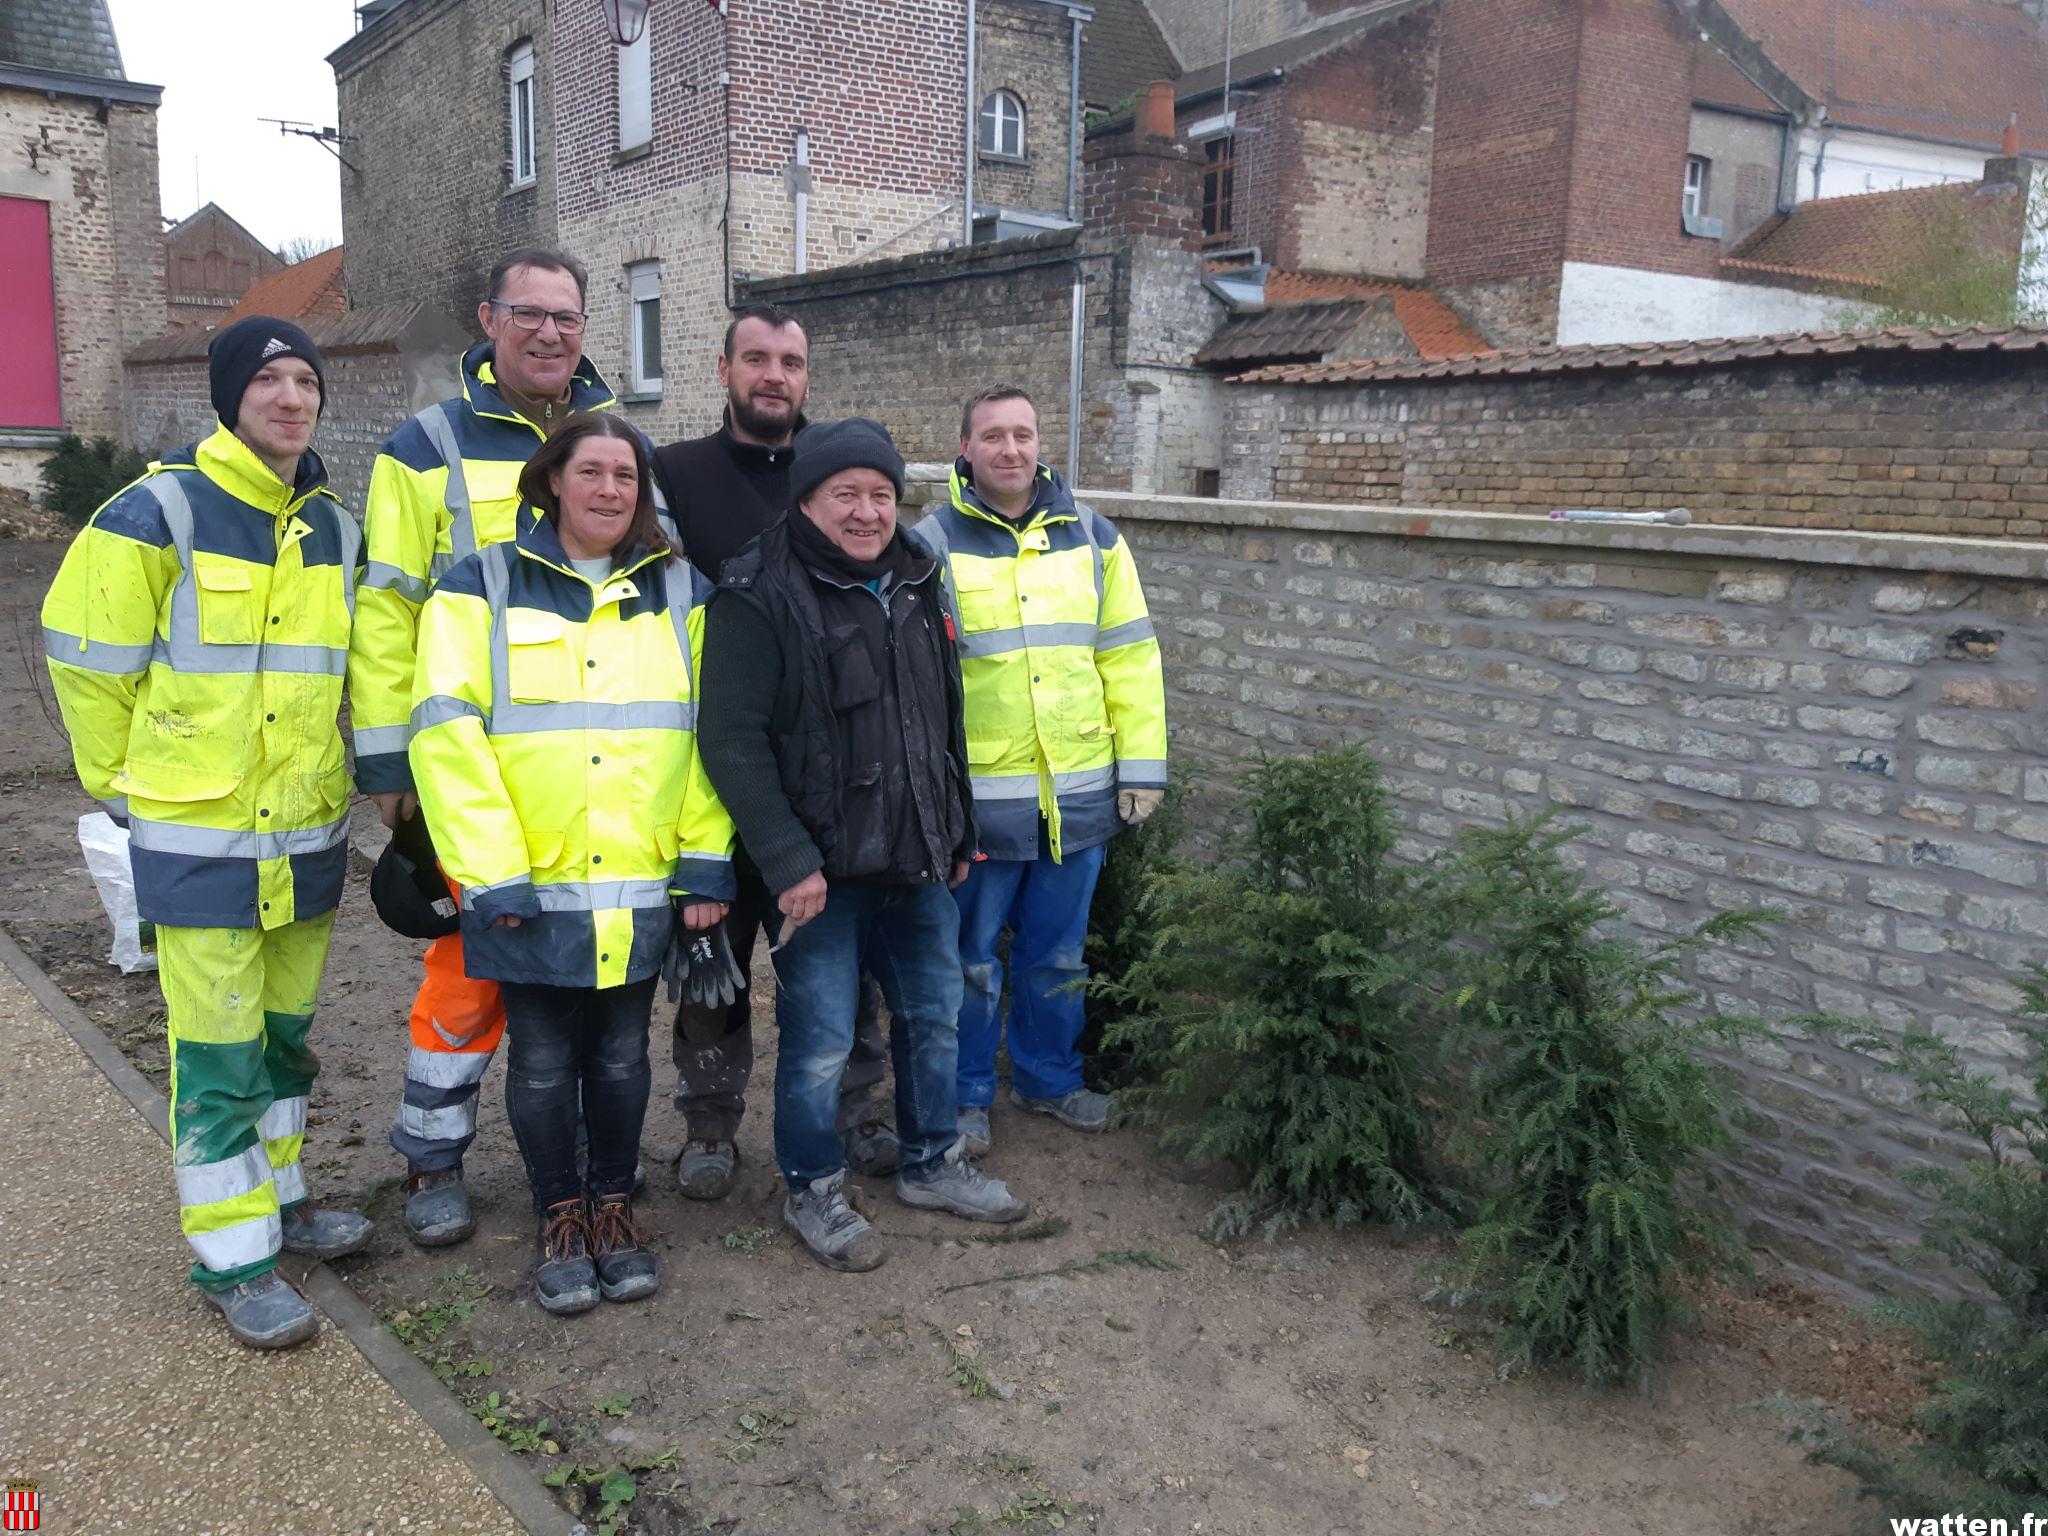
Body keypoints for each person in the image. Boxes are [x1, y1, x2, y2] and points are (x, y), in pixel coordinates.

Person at [42, 317, 372, 1348]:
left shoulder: (335, 528)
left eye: (304, 380)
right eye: (268, 379)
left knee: (282, 1041)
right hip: (197, 838)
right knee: (218, 1051)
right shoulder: (157, 512)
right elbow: (85, 656)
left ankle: (280, 1196)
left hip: (307, 833)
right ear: (230, 397)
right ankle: (235, 1260)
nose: (290, 397)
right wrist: (129, 788)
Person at [349, 248, 649, 1248]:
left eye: (567, 317)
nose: (550, 333)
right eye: (530, 314)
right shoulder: (423, 446)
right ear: (489, 319)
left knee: (585, 986)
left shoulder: (613, 440)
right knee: (466, 978)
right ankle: (431, 1156)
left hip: (590, 776)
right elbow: (387, 608)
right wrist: (392, 763)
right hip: (470, 769)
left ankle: (572, 1171)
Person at [407, 413, 734, 1315]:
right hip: (529, 888)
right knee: (545, 1059)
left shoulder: (681, 593)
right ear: (552, 479)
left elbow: (718, 738)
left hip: (637, 885)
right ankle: (561, 1214)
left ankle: (616, 1207)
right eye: (590, 472)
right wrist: (491, 869)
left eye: (625, 477)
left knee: (624, 1058)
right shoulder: (479, 585)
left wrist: (706, 864)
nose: (608, 491)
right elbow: (446, 729)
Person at [698, 418, 1028, 1271]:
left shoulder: (918, 576)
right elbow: (731, 740)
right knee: (819, 1042)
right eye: (845, 493)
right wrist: (787, 860)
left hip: (916, 856)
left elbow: (942, 717)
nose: (866, 511)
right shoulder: (755, 591)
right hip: (820, 874)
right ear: (806, 501)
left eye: (881, 493)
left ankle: (931, 1162)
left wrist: (953, 827)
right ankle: (812, 1185)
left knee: (934, 1018)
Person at [651, 303, 896, 1199]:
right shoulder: (671, 473)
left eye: (790, 361)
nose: (774, 376)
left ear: (806, 375)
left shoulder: (837, 473)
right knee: (711, 966)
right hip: (716, 774)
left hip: (833, 784)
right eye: (756, 358)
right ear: (723, 371)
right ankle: (710, 1128)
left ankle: (856, 1111)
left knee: (843, 971)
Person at [916, 387, 1167, 1154]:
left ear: (1041, 443)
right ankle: (964, 1095)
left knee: (1058, 954)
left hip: (1080, 797)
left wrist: (1144, 768)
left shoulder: (1093, 537)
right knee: (969, 958)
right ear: (966, 449)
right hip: (981, 808)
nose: (1010, 449)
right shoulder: (929, 544)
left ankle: (1050, 1080)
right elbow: (920, 683)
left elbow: (1128, 654)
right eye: (992, 436)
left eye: (1023, 434)